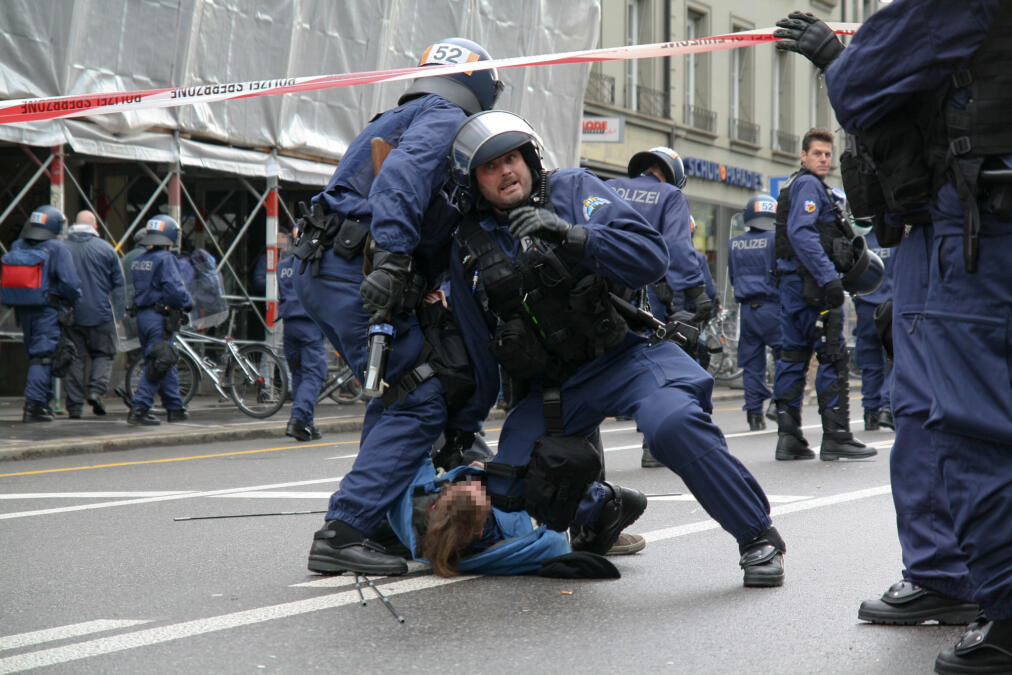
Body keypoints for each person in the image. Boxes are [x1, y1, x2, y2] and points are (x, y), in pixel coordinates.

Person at [445, 110, 786, 587]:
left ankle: (758, 537)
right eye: (490, 166)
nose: (506, 172)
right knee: (506, 486)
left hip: (630, 356)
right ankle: (604, 507)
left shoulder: (572, 189)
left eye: (512, 158)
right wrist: (461, 429)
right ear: (473, 181)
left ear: (529, 158)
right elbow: (479, 348)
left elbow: (651, 257)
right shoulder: (469, 244)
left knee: (672, 424)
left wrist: (572, 235)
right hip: (559, 386)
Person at [778, 5, 1011, 671]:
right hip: (945, 225)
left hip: (974, 229)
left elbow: (865, 81)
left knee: (964, 420)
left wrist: (834, 56)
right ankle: (947, 570)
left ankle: (992, 595)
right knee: (932, 403)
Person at [294, 37, 504, 577]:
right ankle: (343, 532)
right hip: (355, 268)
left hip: (330, 265)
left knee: (394, 394)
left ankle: (379, 526)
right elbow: (402, 180)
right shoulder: (444, 114)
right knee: (418, 396)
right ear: (481, 88)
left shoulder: (401, 114)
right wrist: (391, 259)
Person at [771, 128, 876, 462]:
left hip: (794, 286)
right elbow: (800, 233)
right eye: (817, 153)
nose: (824, 159)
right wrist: (830, 279)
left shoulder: (793, 186)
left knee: (792, 355)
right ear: (803, 156)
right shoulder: (808, 186)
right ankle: (836, 436)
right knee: (832, 354)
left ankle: (788, 439)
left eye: (828, 155)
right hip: (813, 287)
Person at [605, 148, 710, 467]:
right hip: (631, 295)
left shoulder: (609, 185)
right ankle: (654, 446)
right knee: (651, 365)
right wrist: (698, 293)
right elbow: (678, 248)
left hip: (592, 291)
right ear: (675, 176)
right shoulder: (669, 196)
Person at [1, 205, 82, 422]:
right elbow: (70, 284)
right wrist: (70, 302)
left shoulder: (17, 245)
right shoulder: (56, 248)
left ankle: (43, 403)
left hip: (23, 310)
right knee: (43, 357)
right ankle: (34, 405)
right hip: (48, 309)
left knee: (35, 355)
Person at [127, 215, 192, 426]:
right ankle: (140, 408)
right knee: (159, 362)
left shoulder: (140, 260)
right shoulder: (165, 259)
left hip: (143, 316)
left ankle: (175, 408)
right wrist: (187, 302)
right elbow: (174, 289)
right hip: (159, 317)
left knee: (165, 359)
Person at [62, 210, 125, 418]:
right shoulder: (106, 249)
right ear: (95, 226)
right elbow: (119, 286)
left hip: (70, 314)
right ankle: (96, 391)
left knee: (75, 358)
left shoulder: (62, 248)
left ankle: (74, 407)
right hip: (100, 313)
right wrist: (120, 313)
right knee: (104, 354)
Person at [728, 195, 781, 431]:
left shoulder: (735, 242)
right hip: (773, 308)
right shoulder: (775, 239)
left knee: (751, 365)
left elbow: (732, 277)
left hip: (747, 310)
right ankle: (778, 404)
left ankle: (753, 415)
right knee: (785, 357)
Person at [278, 231, 326, 442]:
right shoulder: (313, 265)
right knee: (314, 374)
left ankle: (307, 423)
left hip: (289, 325)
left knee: (299, 376)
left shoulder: (283, 266)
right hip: (309, 325)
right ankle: (298, 420)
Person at [849, 227, 894, 431]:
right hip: (891, 306)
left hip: (866, 308)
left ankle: (870, 413)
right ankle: (886, 407)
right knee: (894, 360)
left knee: (870, 363)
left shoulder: (859, 241)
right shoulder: (895, 236)